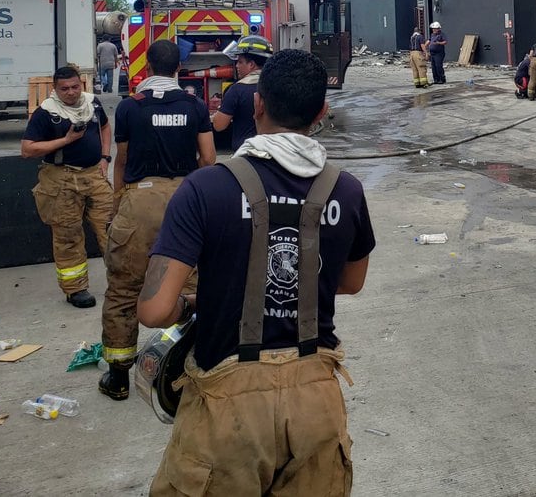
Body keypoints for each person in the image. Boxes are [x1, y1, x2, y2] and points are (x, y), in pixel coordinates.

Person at [139, 49, 375, 497]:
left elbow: (154, 311)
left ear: (257, 104)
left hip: (229, 409)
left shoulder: (206, 188)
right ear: (322, 112)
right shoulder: (346, 189)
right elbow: (351, 282)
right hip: (315, 403)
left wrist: (193, 303)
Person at [99, 39, 216, 401]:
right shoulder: (194, 106)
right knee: (189, 291)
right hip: (185, 200)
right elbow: (209, 159)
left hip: (139, 199)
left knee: (124, 288)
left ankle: (118, 377)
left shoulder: (131, 107)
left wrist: (119, 202)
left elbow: (121, 160)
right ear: (179, 68)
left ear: (146, 67)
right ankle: (185, 371)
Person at [21, 67, 114, 308]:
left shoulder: (92, 104)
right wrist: (65, 141)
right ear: (55, 89)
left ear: (81, 85)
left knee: (113, 230)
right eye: (65, 89)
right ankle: (76, 289)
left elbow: (104, 127)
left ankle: (122, 282)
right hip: (60, 180)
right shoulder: (46, 113)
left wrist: (105, 157)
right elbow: (28, 149)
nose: (71, 93)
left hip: (94, 175)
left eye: (75, 87)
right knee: (68, 235)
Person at [211, 34, 273, 150]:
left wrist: (216, 116)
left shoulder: (236, 90)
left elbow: (219, 126)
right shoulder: (277, 86)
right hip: (273, 151)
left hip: (245, 154)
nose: (236, 66)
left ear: (251, 64)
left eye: (240, 62)